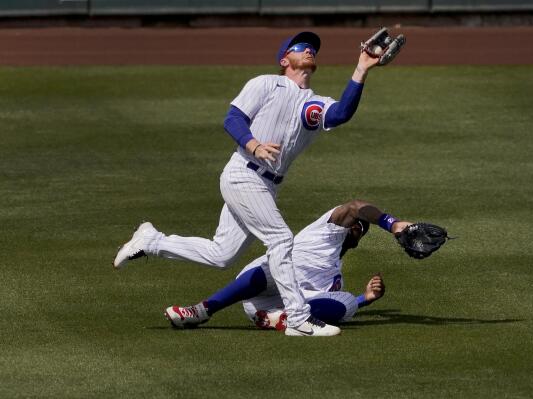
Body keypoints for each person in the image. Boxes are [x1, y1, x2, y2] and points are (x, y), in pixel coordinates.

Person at [113, 32, 385, 337]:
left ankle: (151, 241)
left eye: (313, 49)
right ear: (285, 60)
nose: (309, 50)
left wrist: (361, 68)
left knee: (222, 254)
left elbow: (342, 113)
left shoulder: (313, 103)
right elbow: (233, 119)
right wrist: (253, 144)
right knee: (281, 240)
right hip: (243, 173)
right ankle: (298, 319)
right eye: (301, 47)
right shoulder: (266, 83)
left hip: (266, 186)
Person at [163, 200, 413, 332]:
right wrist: (392, 223)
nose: (355, 228)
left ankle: (280, 319)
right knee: (276, 267)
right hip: (257, 291)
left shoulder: (335, 276)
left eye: (360, 230)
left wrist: (365, 298)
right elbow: (355, 207)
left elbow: (323, 303)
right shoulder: (325, 232)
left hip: (285, 310)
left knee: (347, 302)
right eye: (355, 224)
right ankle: (201, 310)